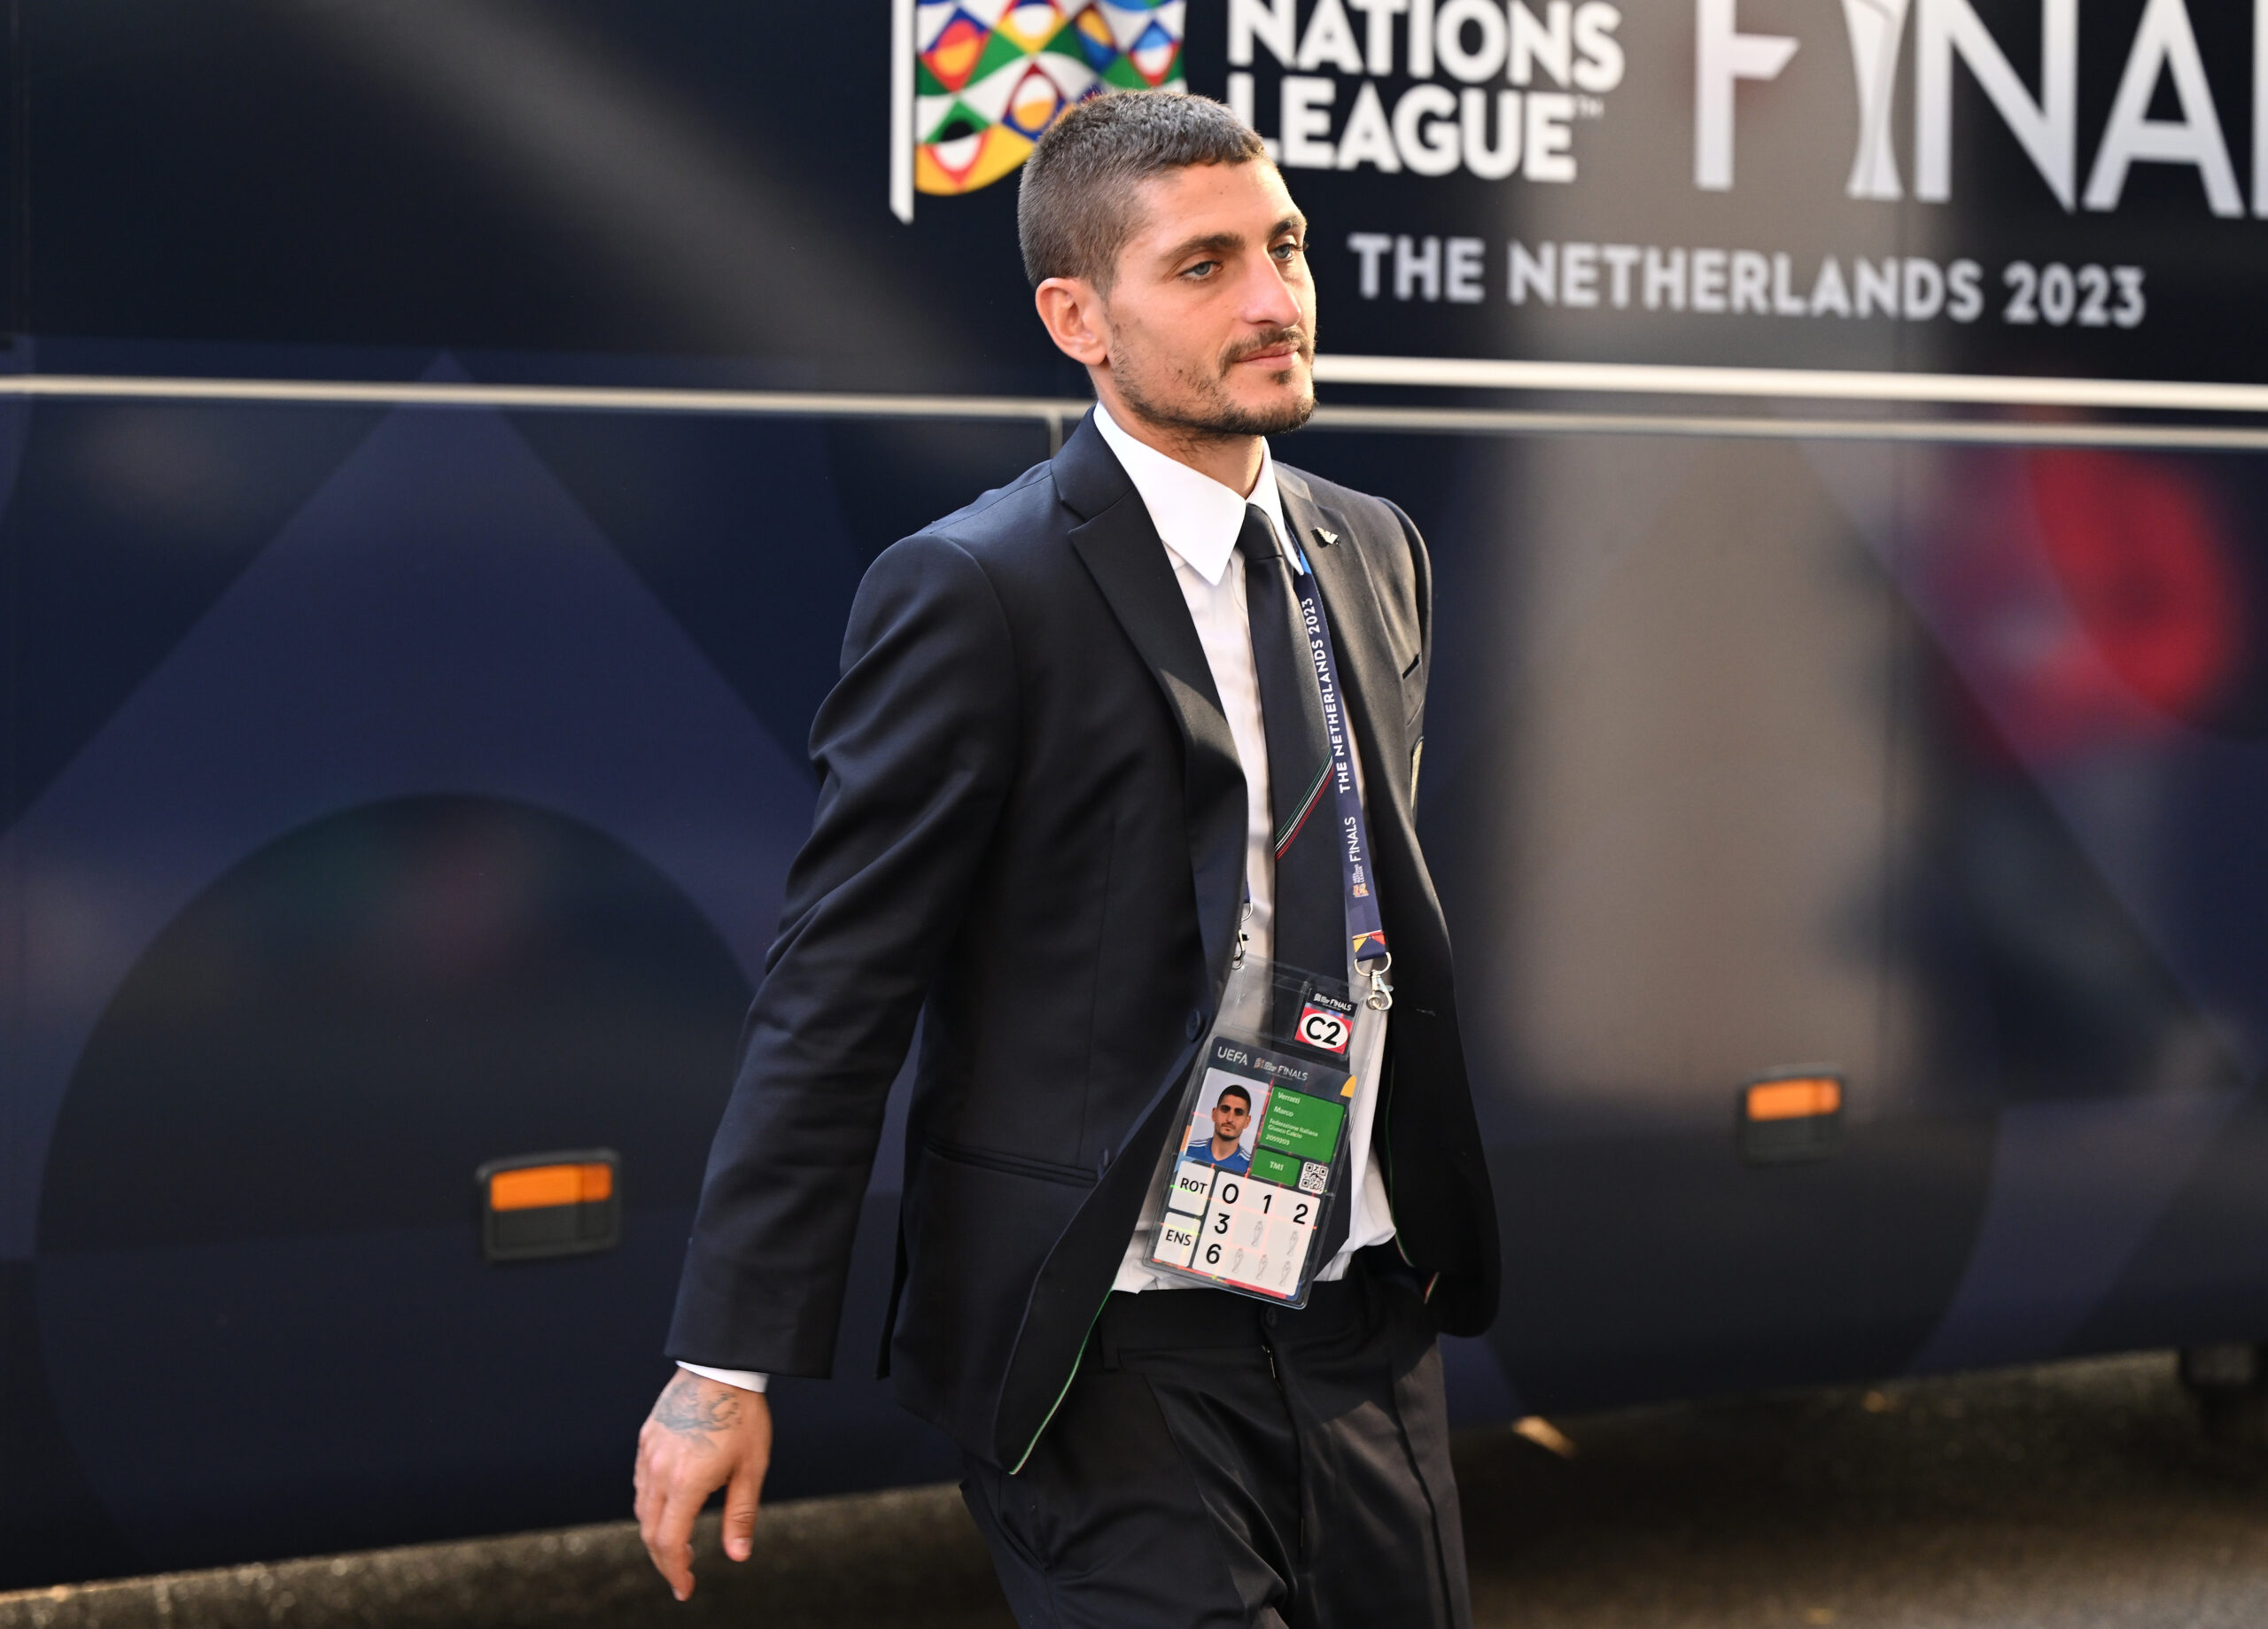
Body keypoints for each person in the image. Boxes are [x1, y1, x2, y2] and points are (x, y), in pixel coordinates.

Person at [633, 89, 1498, 1628]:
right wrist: (723, 1361)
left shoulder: (1374, 549)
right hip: (1109, 1346)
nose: (1273, 299)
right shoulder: (978, 588)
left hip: (1357, 1318)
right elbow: (836, 989)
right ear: (1076, 318)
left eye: (1286, 247)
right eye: (1204, 265)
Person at [1185, 1082, 1256, 1172]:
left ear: (1247, 1121)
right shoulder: (1188, 1150)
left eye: (1238, 1113)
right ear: (1214, 1114)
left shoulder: (1250, 1168)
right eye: (1225, 1109)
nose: (1230, 1119)